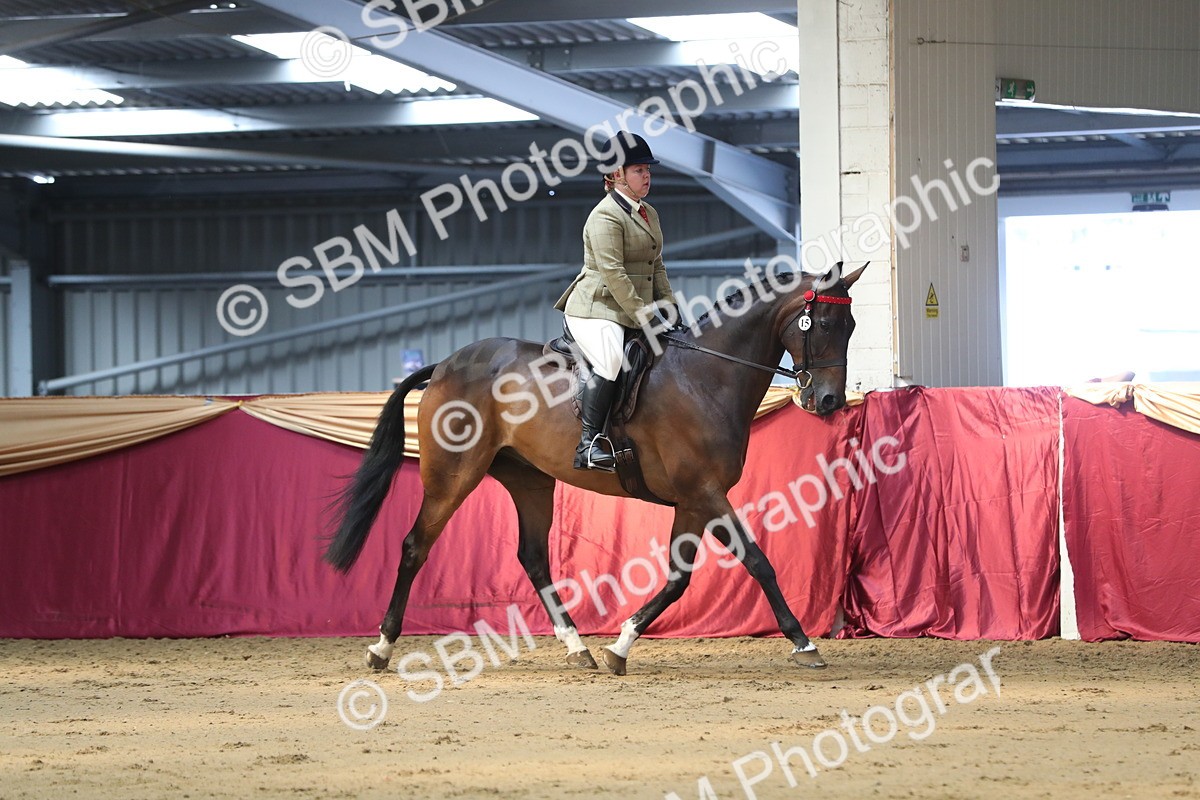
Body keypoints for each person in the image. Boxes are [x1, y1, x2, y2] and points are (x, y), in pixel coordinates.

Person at [553, 132, 675, 472]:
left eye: (648, 169)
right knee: (610, 361)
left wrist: (670, 305)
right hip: (597, 309)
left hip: (631, 308)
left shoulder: (648, 212)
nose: (647, 176)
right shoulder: (604, 217)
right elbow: (613, 273)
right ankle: (589, 444)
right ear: (616, 174)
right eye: (638, 170)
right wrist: (643, 315)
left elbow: (657, 265)